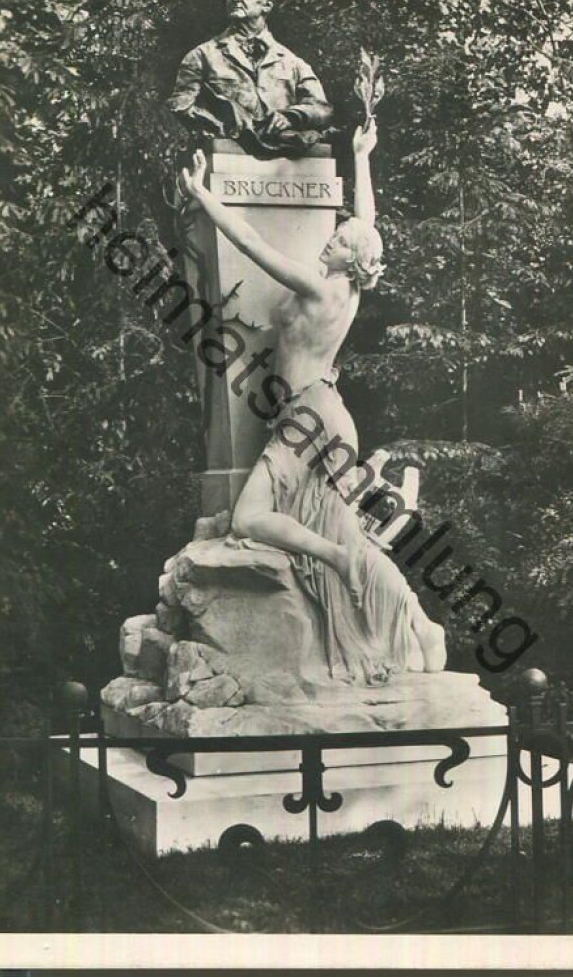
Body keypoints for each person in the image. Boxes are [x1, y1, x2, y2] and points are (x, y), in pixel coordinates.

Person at [181, 120, 446, 684]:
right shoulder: (349, 286)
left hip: (307, 418)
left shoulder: (321, 286)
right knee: (342, 525)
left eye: (341, 241)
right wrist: (362, 157)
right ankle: (416, 621)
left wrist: (205, 197)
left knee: (253, 517)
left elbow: (251, 244)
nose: (333, 237)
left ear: (350, 261)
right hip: (321, 414)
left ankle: (337, 561)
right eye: (337, 233)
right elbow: (368, 223)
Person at [168, 0, 333, 155]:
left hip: (287, 151)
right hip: (229, 151)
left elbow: (322, 109)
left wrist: (291, 117)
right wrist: (220, 124)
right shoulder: (202, 56)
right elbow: (180, 104)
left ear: (267, 6)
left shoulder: (292, 63)